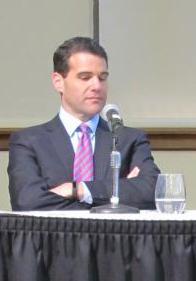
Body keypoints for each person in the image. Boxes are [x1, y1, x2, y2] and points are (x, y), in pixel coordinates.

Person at [8, 36, 161, 210]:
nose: (96, 86)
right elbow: (27, 202)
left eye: (102, 78)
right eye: (85, 77)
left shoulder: (127, 139)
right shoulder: (29, 141)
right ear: (58, 82)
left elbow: (153, 192)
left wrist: (78, 189)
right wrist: (117, 194)